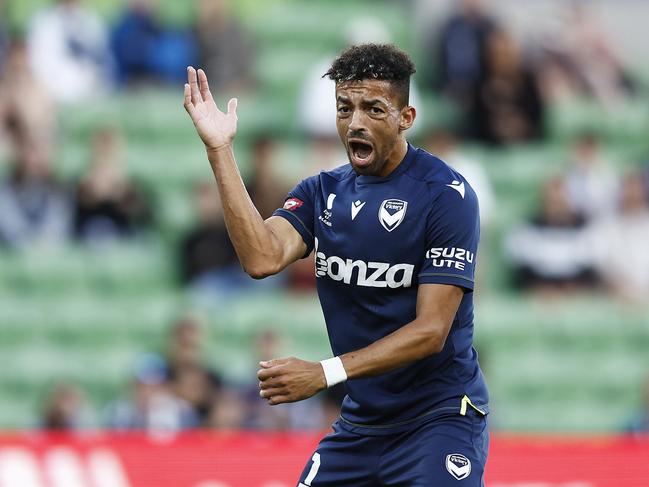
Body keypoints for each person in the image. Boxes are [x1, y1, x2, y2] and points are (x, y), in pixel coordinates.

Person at [184, 43, 489, 486]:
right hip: (361, 426)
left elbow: (431, 331)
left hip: (438, 420)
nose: (356, 122)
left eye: (374, 109)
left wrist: (324, 372)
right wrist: (220, 152)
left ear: (407, 118)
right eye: (344, 108)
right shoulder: (322, 192)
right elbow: (261, 256)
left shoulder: (446, 196)